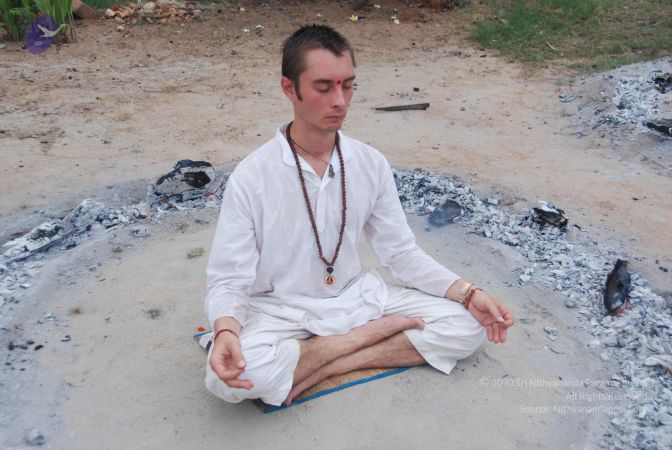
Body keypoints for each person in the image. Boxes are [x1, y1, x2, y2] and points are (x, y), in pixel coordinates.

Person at [204, 24, 515, 407]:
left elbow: (400, 254)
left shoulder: (369, 162)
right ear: (289, 88)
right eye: (323, 87)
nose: (340, 101)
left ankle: (331, 360)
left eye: (348, 86)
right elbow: (229, 277)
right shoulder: (253, 176)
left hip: (356, 299)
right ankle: (357, 341)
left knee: (468, 325)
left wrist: (468, 293)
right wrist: (226, 331)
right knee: (230, 381)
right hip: (279, 310)